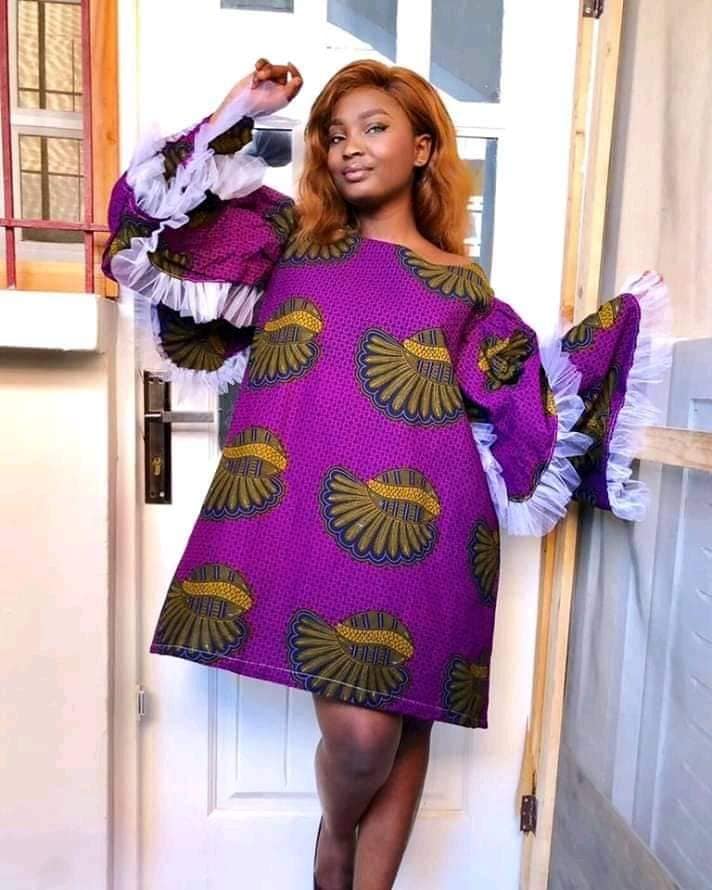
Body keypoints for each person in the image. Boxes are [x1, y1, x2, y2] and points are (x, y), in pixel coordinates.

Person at [103, 58, 671, 890]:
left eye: (374, 128)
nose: (349, 148)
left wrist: (605, 340)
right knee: (362, 737)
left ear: (423, 146)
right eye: (335, 135)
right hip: (307, 512)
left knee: (408, 722)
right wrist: (241, 106)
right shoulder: (287, 243)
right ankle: (336, 838)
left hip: (432, 524)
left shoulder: (461, 284)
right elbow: (145, 223)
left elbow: (522, 401)